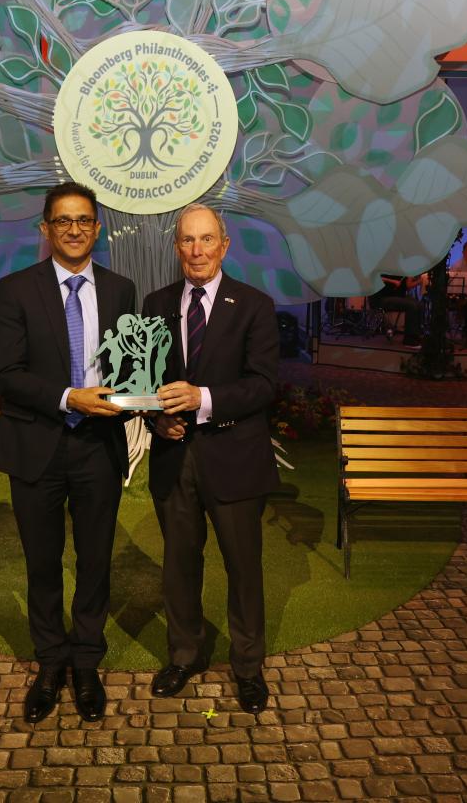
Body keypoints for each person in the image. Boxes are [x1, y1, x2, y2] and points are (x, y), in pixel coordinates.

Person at [0, 182, 138, 724]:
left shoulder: (122, 290)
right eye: (62, 221)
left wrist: (141, 399)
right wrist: (68, 397)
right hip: (37, 446)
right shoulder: (17, 289)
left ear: (97, 228)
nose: (74, 229)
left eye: (83, 221)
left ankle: (86, 663)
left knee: (95, 562)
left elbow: (129, 368)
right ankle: (51, 663)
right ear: (46, 229)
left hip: (99, 447)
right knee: (43, 563)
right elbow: (6, 376)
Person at [145, 204, 280, 714]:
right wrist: (155, 418)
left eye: (206, 240)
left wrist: (200, 399)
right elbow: (143, 384)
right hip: (173, 459)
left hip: (235, 459)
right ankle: (185, 655)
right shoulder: (154, 303)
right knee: (179, 566)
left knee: (243, 569)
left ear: (224, 246)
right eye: (187, 241)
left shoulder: (254, 305)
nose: (196, 251)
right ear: (176, 247)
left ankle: (247, 667)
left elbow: (264, 384)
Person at [373, 273, 424, 346]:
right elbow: (375, 277)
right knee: (412, 306)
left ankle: (416, 336)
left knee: (420, 305)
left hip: (397, 296)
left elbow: (407, 286)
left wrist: (419, 281)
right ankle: (409, 340)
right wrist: (393, 281)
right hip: (382, 298)